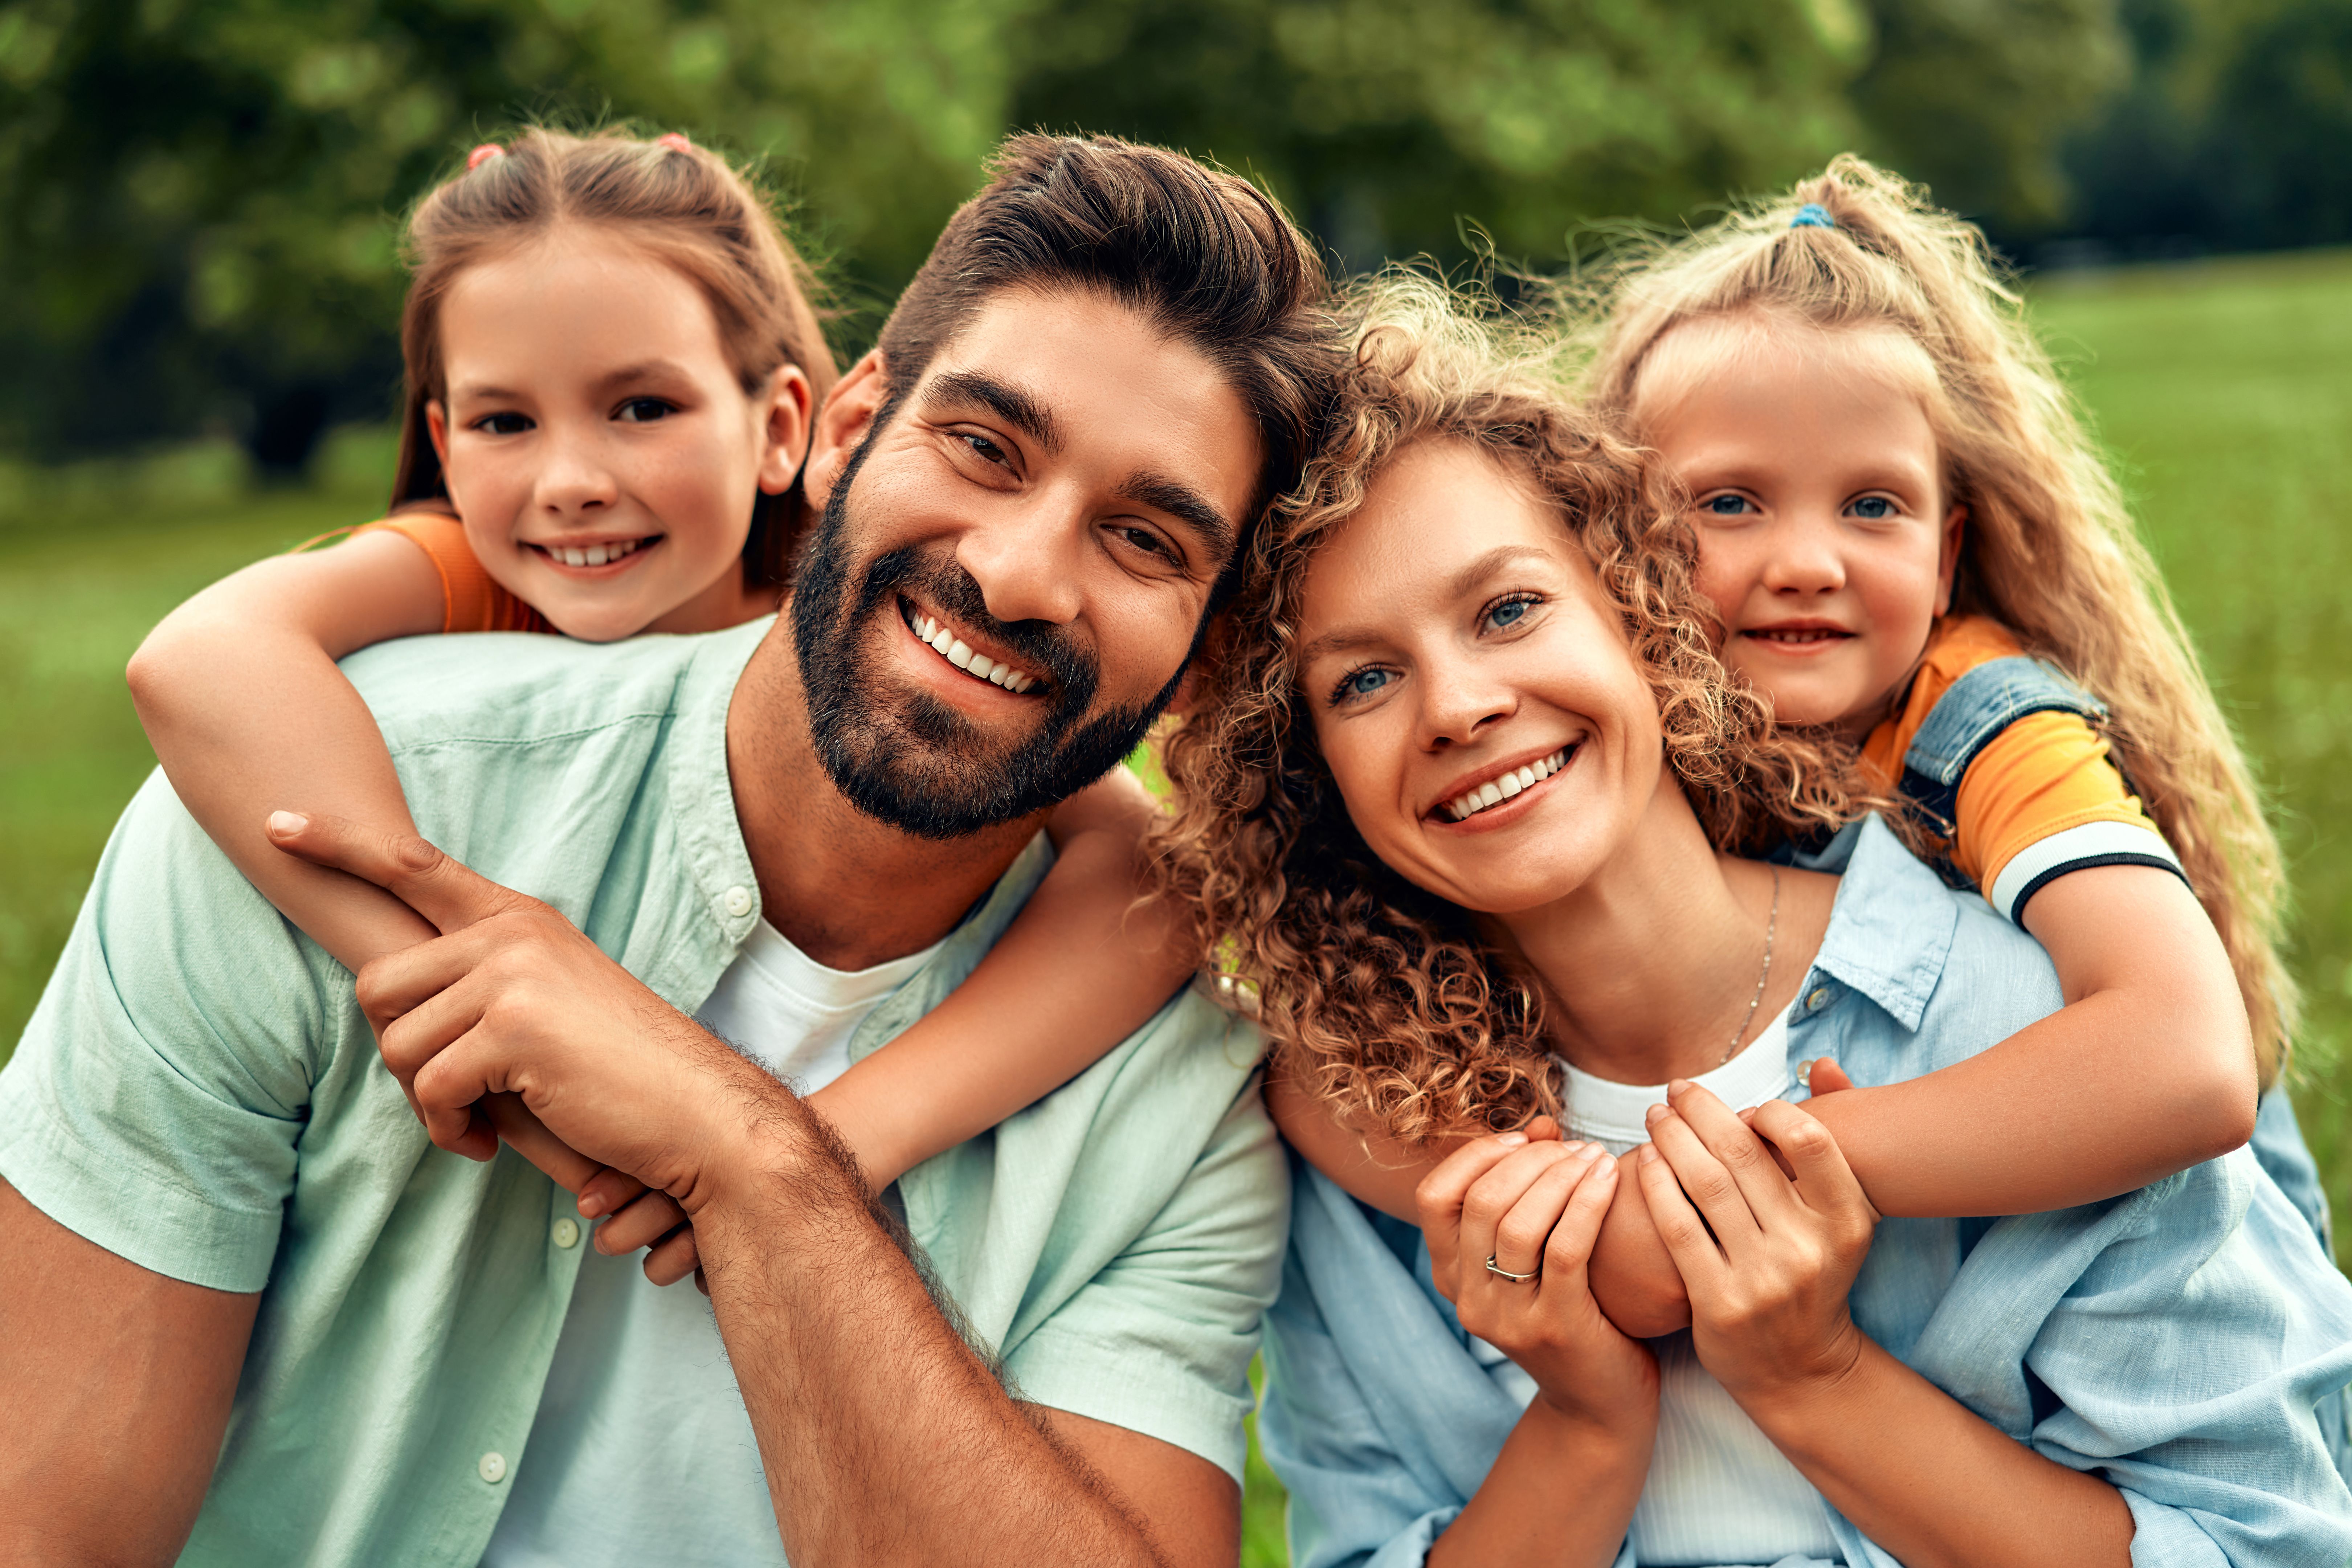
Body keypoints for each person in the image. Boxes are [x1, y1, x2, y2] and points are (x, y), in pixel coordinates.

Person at [0, 133, 1338, 1567]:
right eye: (982, 448)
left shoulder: (1180, 1090)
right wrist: (444, 973)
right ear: (845, 430)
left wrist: (758, 1163)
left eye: (1144, 540)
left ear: (1210, 652)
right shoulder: (320, 802)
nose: (1016, 576)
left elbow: (1159, 886)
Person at [1152, 279, 2352, 1566]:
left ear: (1645, 606)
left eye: (1509, 610)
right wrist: (1586, 1422)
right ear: (1309, 769)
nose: (1456, 706)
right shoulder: (1368, 1136)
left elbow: (2271, 1543)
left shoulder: (2028, 1028)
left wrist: (1814, 1379)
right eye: (1363, 680)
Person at [126, 125, 1207, 1278]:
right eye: (504, 422)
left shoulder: (871, 632)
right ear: (442, 439)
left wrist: (832, 1146)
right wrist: (447, 988)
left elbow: (1155, 880)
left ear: (785, 428)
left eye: (641, 409)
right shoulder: (456, 569)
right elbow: (199, 656)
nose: (573, 482)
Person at [1574, 153, 2326, 1249]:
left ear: (1945, 558)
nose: (1809, 563)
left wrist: (1778, 1168)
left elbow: (2191, 1060)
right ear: (1616, 530)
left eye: (1873, 506)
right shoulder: (1615, 728)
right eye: (1730, 503)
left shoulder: (1984, 722)